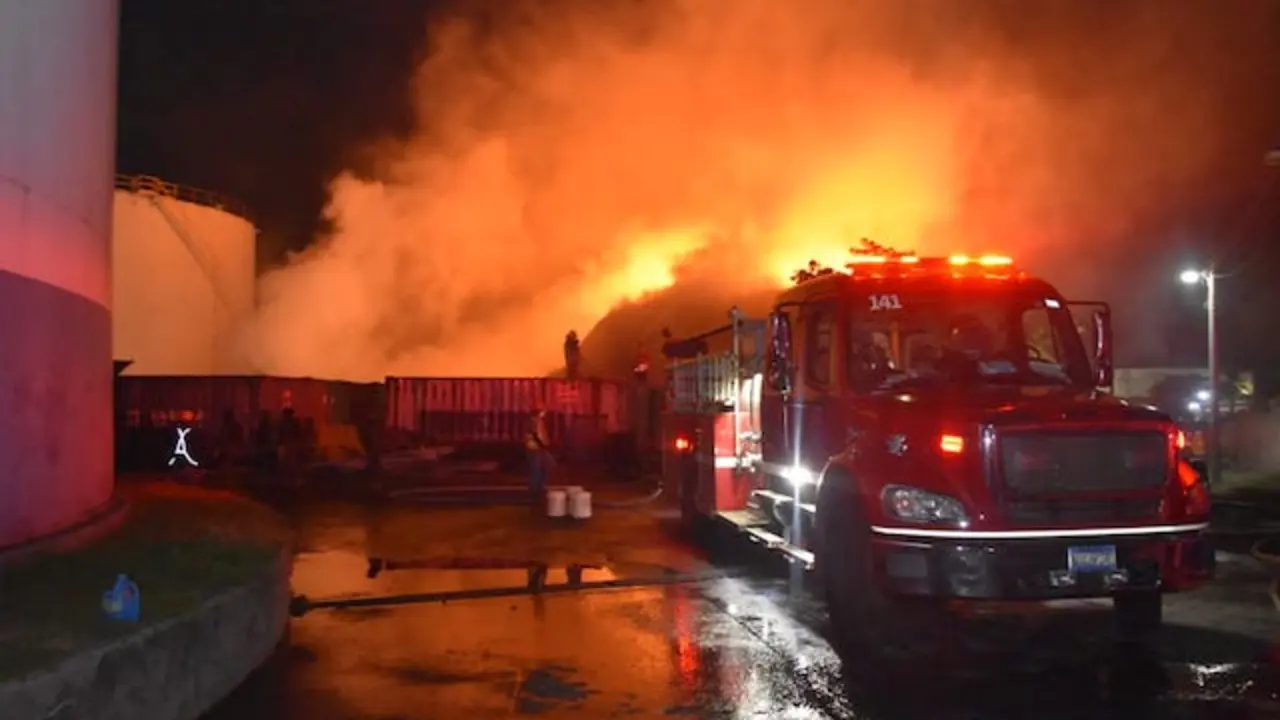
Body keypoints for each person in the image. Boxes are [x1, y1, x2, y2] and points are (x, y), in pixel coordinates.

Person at [524, 407, 553, 504]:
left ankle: (539, 488)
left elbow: (543, 435)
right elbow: (532, 436)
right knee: (536, 470)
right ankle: (534, 493)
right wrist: (542, 443)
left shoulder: (539, 423)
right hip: (534, 449)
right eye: (541, 414)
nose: (543, 415)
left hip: (540, 449)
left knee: (548, 466)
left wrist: (545, 442)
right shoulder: (531, 423)